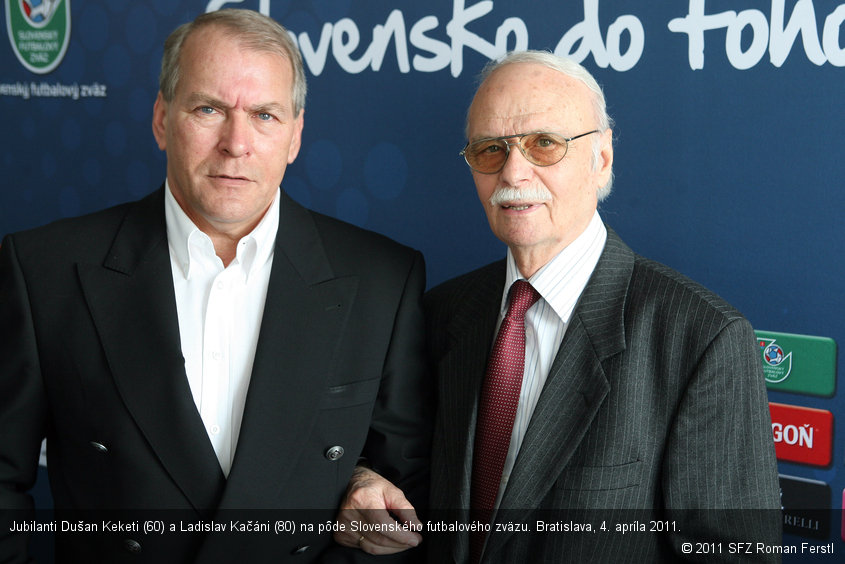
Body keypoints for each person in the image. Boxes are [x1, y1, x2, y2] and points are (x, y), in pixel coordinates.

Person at [0, 9, 429, 563]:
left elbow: (409, 485)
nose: (236, 142)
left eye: (265, 116)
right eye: (209, 109)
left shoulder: (383, 279)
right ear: (161, 119)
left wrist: (366, 484)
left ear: (296, 136)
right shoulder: (45, 269)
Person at [423, 51, 781, 563]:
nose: (514, 172)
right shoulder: (442, 313)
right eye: (490, 149)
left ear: (603, 157)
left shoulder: (700, 338)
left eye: (544, 144)